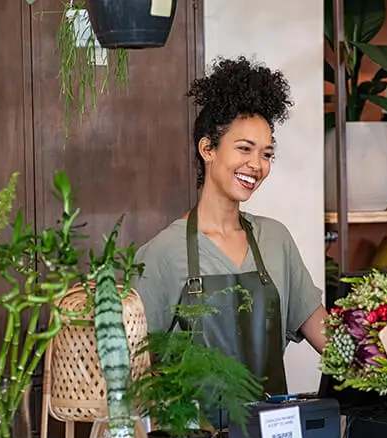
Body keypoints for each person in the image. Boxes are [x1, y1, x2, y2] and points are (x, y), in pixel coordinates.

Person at [134, 56, 327, 397]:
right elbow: (135, 371)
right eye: (244, 149)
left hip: (271, 437)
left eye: (266, 154)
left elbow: (327, 337)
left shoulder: (275, 240)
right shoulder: (162, 254)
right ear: (208, 149)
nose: (256, 165)